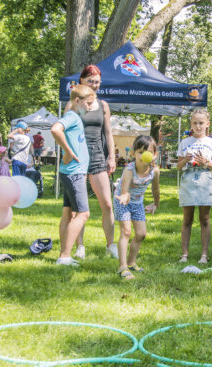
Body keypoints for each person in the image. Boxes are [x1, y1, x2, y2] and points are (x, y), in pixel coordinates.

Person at [74, 65, 117, 260]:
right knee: (79, 206)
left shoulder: (104, 105)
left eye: (97, 81)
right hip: (78, 157)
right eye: (90, 80)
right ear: (81, 81)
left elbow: (108, 132)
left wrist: (112, 157)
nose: (94, 84)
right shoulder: (75, 103)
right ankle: (80, 246)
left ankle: (111, 245)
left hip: (98, 156)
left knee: (107, 205)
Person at [50, 84, 95, 266]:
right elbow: (55, 129)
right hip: (74, 173)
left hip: (71, 172)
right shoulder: (73, 117)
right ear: (78, 101)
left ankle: (64, 254)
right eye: (88, 103)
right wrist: (67, 152)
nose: (90, 107)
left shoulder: (74, 117)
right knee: (83, 214)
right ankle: (65, 256)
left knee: (68, 214)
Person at [113, 135, 160, 279]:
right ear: (133, 153)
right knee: (126, 232)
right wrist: (125, 195)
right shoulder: (129, 170)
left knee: (141, 234)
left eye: (148, 152)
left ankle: (131, 263)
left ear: (154, 155)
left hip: (138, 203)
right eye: (140, 152)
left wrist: (155, 204)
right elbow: (125, 188)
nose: (143, 155)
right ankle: (122, 267)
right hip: (123, 201)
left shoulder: (154, 171)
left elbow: (155, 189)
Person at [177, 108, 212, 264]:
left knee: (205, 219)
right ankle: (184, 255)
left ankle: (204, 255)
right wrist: (185, 160)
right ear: (191, 124)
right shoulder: (185, 142)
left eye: (201, 123)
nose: (198, 126)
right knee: (187, 219)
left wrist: (206, 162)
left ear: (207, 124)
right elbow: (178, 166)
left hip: (204, 180)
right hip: (188, 180)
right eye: (195, 123)